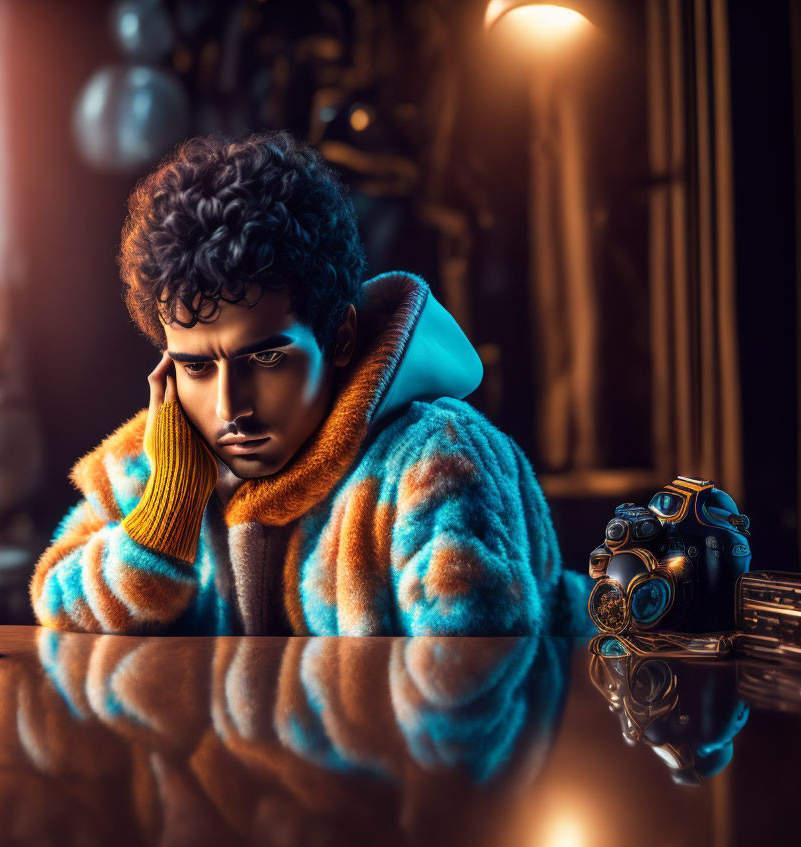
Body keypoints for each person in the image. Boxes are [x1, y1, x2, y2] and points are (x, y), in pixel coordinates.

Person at [30, 130, 586, 635]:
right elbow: (55, 605)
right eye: (196, 367)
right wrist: (167, 510)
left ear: (340, 336)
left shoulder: (431, 465)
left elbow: (469, 702)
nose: (229, 407)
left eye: (267, 357)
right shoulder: (159, 462)